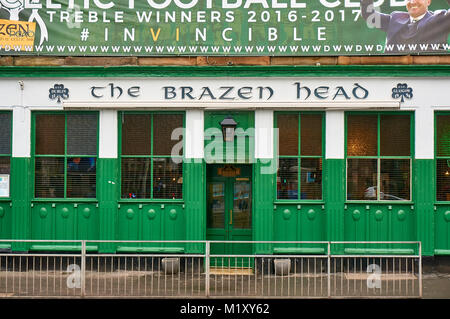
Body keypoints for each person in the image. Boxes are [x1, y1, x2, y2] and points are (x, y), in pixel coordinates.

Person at [360, 0, 450, 53]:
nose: (412, 2)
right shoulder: (395, 18)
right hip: (395, 72)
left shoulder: (440, 17)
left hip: (429, 74)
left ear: (428, 1)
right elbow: (369, 15)